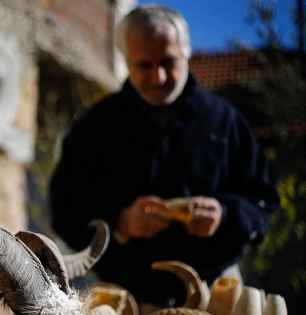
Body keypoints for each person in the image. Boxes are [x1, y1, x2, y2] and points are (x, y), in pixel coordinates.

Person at [48, 4, 280, 312]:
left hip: (217, 297)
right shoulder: (95, 127)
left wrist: (225, 215)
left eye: (168, 62)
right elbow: (64, 209)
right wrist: (121, 221)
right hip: (124, 298)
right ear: (126, 61)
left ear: (187, 53)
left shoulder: (226, 122)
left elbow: (263, 205)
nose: (157, 77)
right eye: (144, 65)